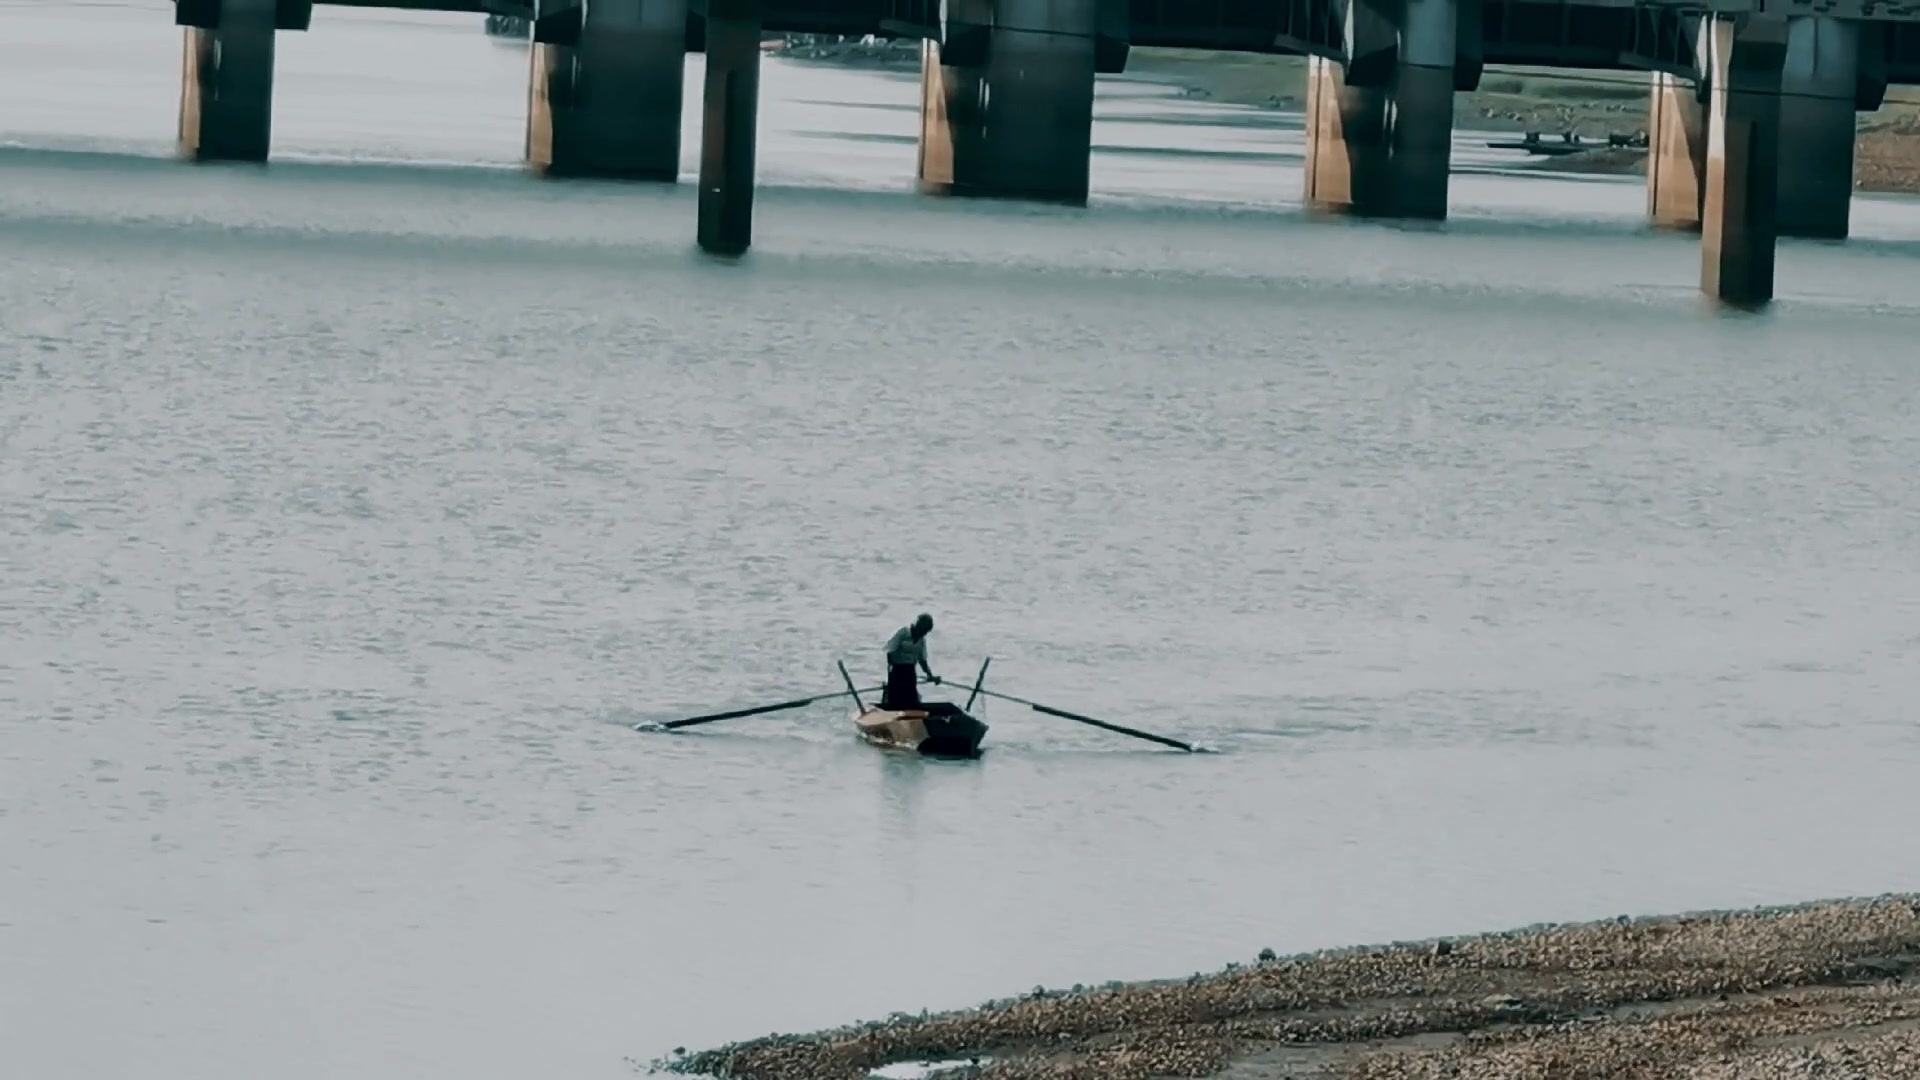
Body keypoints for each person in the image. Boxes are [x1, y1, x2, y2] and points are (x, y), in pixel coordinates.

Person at [881, 613, 939, 709]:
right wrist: (891, 669)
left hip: (910, 671)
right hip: (897, 670)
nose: (923, 633)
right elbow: (890, 651)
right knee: (895, 701)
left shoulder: (921, 640)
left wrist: (930, 675)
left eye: (926, 631)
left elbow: (922, 660)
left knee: (911, 700)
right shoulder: (903, 633)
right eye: (923, 629)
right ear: (917, 626)